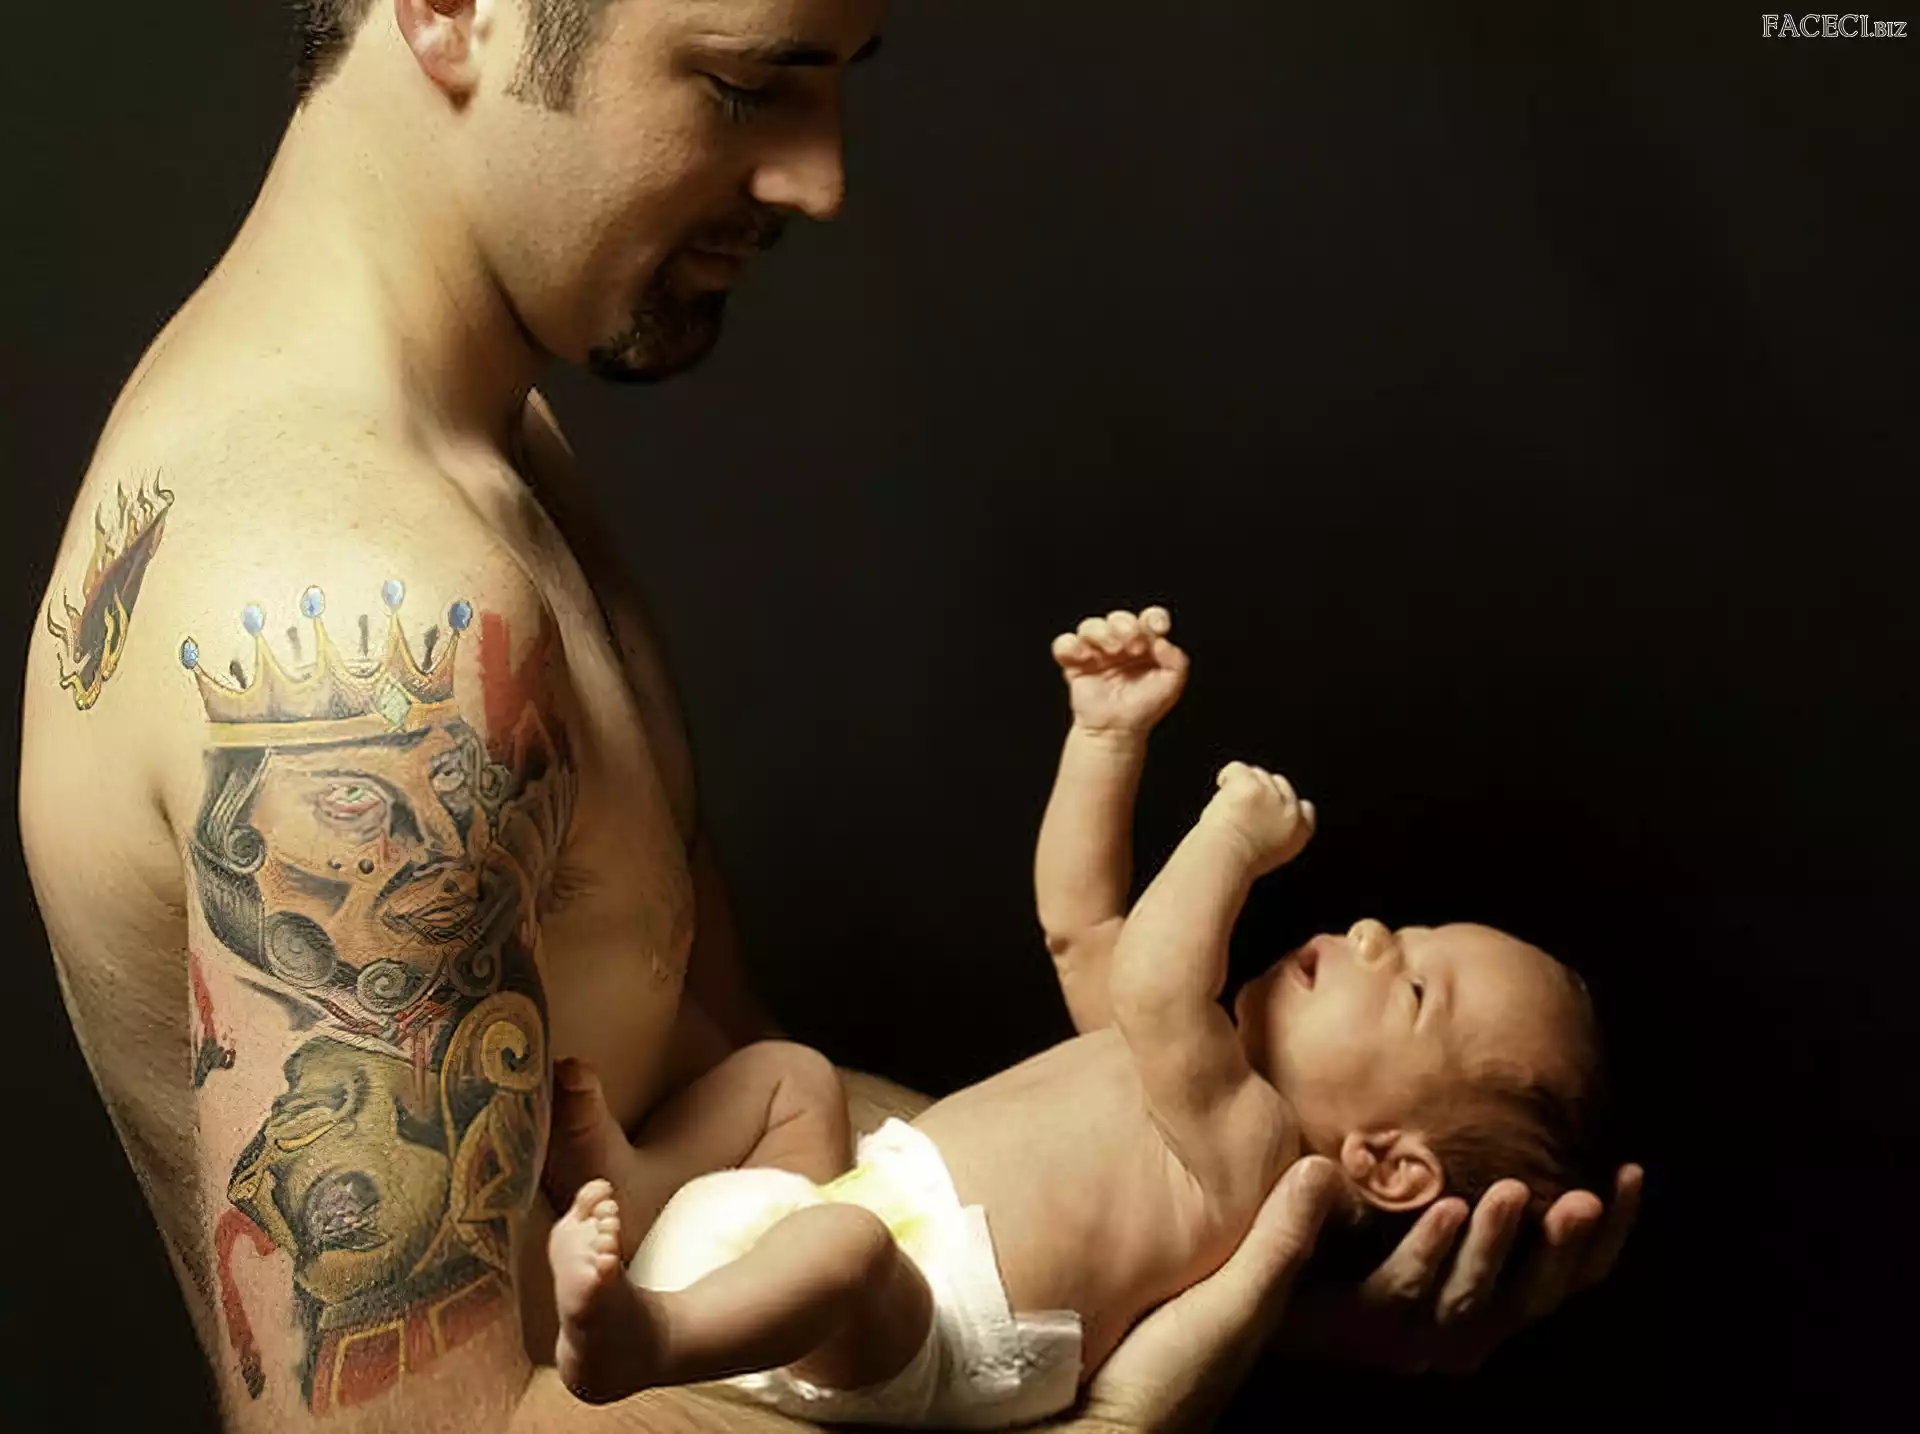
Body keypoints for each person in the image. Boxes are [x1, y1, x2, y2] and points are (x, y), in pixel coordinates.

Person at [16, 3, 1641, 1431]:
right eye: (748, 82)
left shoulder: (486, 450)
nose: (821, 177)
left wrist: (1244, 1258)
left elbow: (759, 1108)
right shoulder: (358, 632)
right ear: (454, 10)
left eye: (840, 77)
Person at [538, 607, 1615, 1425]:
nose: (1375, 933)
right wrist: (1106, 741)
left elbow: (1150, 978)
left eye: (1416, 989)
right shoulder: (1176, 1057)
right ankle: (647, 1180)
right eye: (1408, 930)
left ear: (1387, 1164)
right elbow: (1081, 925)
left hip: (946, 1330)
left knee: (845, 1249)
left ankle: (649, 1337)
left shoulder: (1255, 1146)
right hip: (866, 1205)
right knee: (792, 1079)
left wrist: (1233, 838)